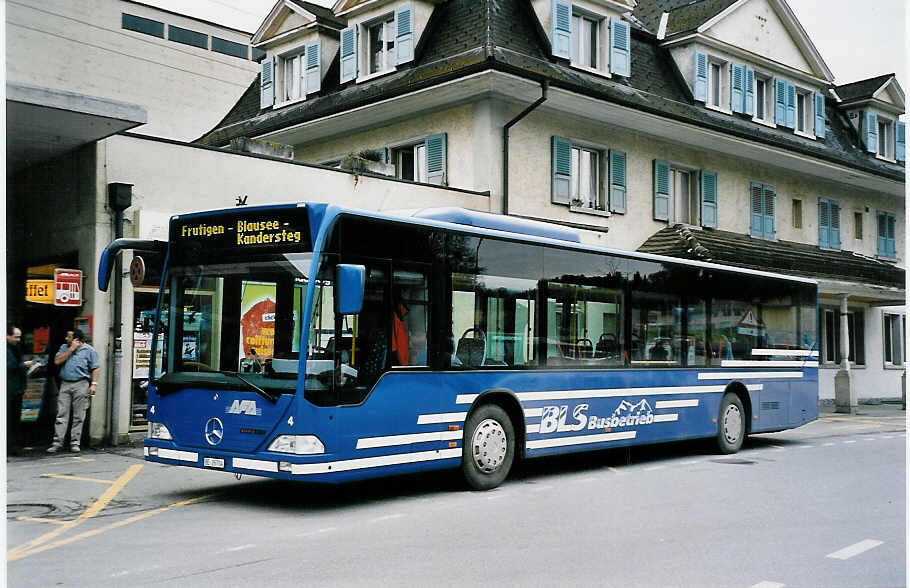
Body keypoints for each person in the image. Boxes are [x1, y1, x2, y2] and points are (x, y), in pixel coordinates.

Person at [48, 329, 99, 453]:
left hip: (81, 383)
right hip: (65, 383)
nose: (66, 338)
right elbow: (57, 361)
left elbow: (95, 368)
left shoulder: (90, 350)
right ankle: (57, 443)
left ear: (76, 339)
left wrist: (93, 385)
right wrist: (70, 350)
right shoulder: (64, 347)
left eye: (69, 337)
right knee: (61, 414)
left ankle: (75, 443)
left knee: (79, 415)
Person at [7, 325, 35, 456]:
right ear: (7, 335)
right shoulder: (6, 349)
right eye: (16, 337)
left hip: (16, 389)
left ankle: (13, 446)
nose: (18, 339)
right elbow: (8, 366)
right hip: (9, 389)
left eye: (19, 337)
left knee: (14, 419)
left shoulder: (15, 347)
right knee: (8, 419)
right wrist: (23, 365)